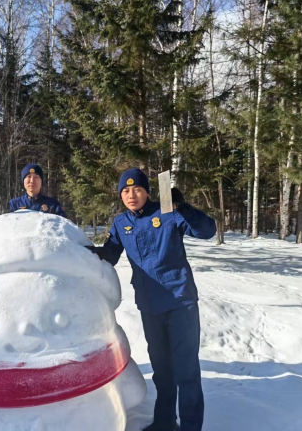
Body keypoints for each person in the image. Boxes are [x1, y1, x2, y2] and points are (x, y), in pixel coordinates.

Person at [86, 168, 216, 431]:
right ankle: (165, 422)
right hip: (149, 305)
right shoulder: (121, 223)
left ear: (147, 192)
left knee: (186, 371)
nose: (131, 195)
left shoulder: (167, 212)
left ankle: (191, 426)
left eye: (137, 189)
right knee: (162, 370)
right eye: (125, 191)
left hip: (180, 301)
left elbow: (207, 231)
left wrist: (183, 207)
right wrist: (86, 254)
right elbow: (111, 254)